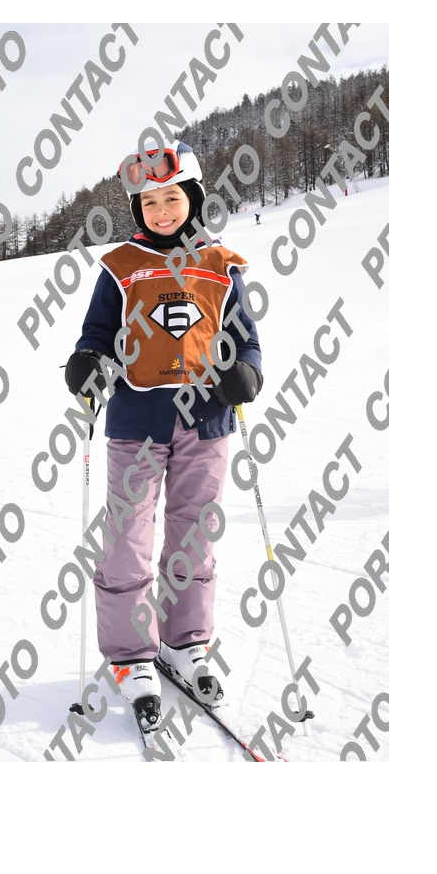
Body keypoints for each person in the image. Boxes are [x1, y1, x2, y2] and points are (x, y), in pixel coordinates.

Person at [63, 140, 263, 735]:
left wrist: (247, 371)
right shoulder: (121, 266)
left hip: (207, 419)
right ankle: (131, 655)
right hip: (137, 420)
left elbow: (246, 339)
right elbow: (97, 334)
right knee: (127, 537)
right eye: (149, 202)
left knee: (194, 533)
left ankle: (185, 643)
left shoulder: (221, 264)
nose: (162, 211)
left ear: (193, 198)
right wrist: (86, 361)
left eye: (171, 198)